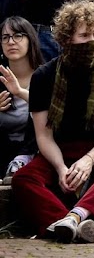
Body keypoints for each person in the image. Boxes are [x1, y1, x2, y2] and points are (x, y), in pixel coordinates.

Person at [11, 0, 94, 243]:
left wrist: (89, 160)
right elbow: (43, 135)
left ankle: (75, 217)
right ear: (67, 38)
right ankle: (72, 223)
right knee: (23, 179)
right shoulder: (44, 76)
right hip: (57, 149)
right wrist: (60, 168)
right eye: (84, 35)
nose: (92, 40)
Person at [1, 17, 44, 179]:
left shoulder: (46, 75)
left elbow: (52, 110)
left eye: (18, 35)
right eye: (5, 37)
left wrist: (19, 92)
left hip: (36, 152)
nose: (11, 42)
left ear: (30, 39)